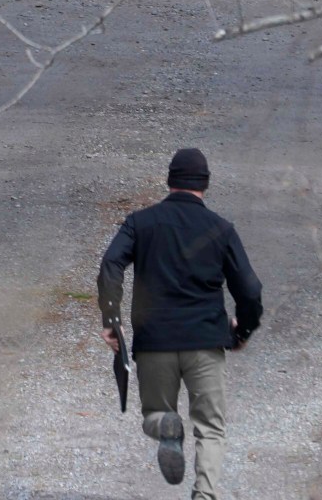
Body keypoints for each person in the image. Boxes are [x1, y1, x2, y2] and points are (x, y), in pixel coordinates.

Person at [98, 148, 263, 497]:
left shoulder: (140, 223)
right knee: (210, 428)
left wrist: (112, 318)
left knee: (153, 416)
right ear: (205, 184)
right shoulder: (221, 229)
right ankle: (204, 495)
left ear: (169, 181)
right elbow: (249, 289)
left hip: (154, 342)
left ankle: (165, 425)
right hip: (205, 341)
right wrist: (242, 330)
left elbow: (110, 265)